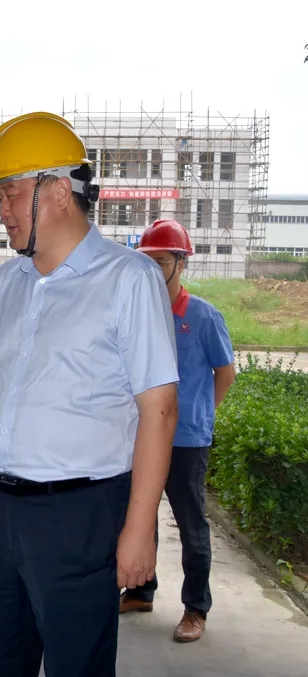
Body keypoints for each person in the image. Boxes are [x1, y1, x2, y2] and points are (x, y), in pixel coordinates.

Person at [0, 112, 180, 677]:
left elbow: (158, 411)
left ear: (58, 191)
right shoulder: (5, 284)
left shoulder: (128, 279)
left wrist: (139, 530)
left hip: (79, 516)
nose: (2, 210)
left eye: (10, 193)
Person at [120, 219, 236, 642]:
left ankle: (195, 609)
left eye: (161, 261)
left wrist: (202, 415)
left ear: (181, 263)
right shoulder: (138, 313)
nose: (153, 269)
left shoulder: (203, 317)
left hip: (186, 441)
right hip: (143, 437)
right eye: (147, 260)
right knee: (140, 514)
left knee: (191, 525)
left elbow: (225, 373)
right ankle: (140, 590)